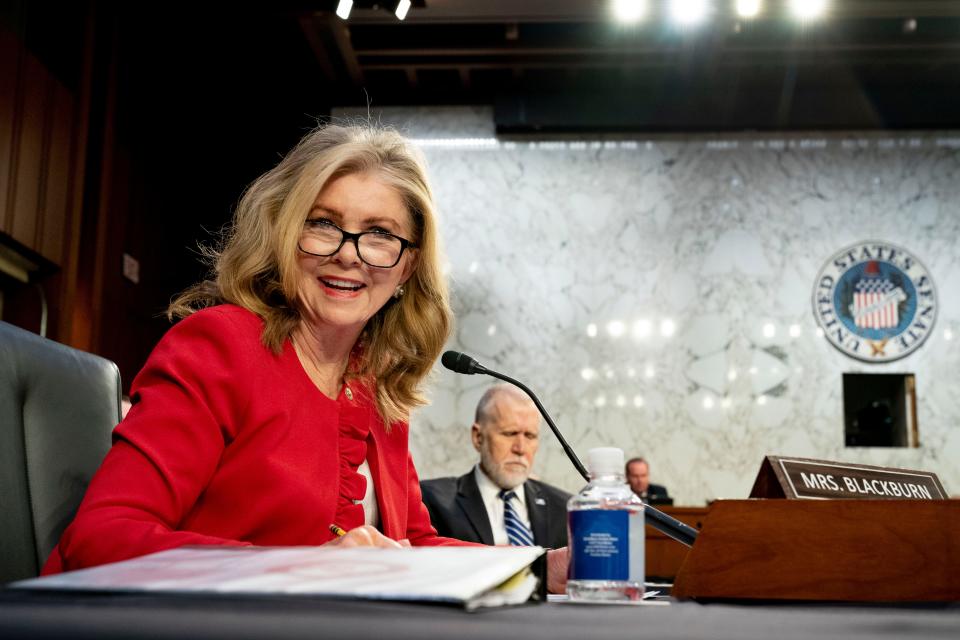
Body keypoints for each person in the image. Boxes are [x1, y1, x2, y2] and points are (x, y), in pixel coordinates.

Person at [43, 124, 574, 588]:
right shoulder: (218, 345)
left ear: (407, 268)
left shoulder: (378, 386)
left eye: (381, 234)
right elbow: (104, 537)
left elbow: (413, 547)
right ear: (284, 233)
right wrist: (306, 568)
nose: (348, 251)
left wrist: (540, 569)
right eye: (322, 223)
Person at [420, 384, 571, 549]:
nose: (520, 448)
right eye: (509, 433)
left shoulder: (565, 508)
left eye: (530, 436)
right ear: (478, 437)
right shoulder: (431, 501)